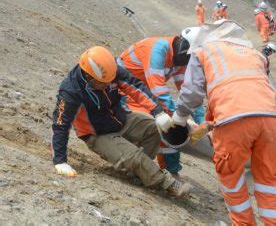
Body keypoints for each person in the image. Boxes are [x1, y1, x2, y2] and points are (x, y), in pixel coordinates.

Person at [172, 20, 276, 225]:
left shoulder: (203, 51)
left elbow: (192, 93)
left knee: (231, 177)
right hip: (271, 122)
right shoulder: (253, 53)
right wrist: (204, 126)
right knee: (270, 180)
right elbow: (243, 91)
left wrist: (179, 118)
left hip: (235, 124)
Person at [51, 46, 191, 198]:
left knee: (155, 128)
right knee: (133, 156)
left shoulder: (111, 71)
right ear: (89, 77)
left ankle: (137, 172)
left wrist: (158, 112)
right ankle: (167, 183)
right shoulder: (71, 91)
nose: (109, 84)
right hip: (97, 134)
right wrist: (60, 161)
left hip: (120, 119)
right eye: (104, 83)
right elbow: (60, 125)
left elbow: (136, 87)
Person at [118, 31, 205, 177]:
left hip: (143, 93)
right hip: (123, 91)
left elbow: (189, 93)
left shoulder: (180, 59)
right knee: (160, 124)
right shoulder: (158, 50)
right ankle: (133, 163)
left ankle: (171, 170)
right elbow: (159, 92)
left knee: (171, 123)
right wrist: (179, 118)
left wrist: (202, 123)